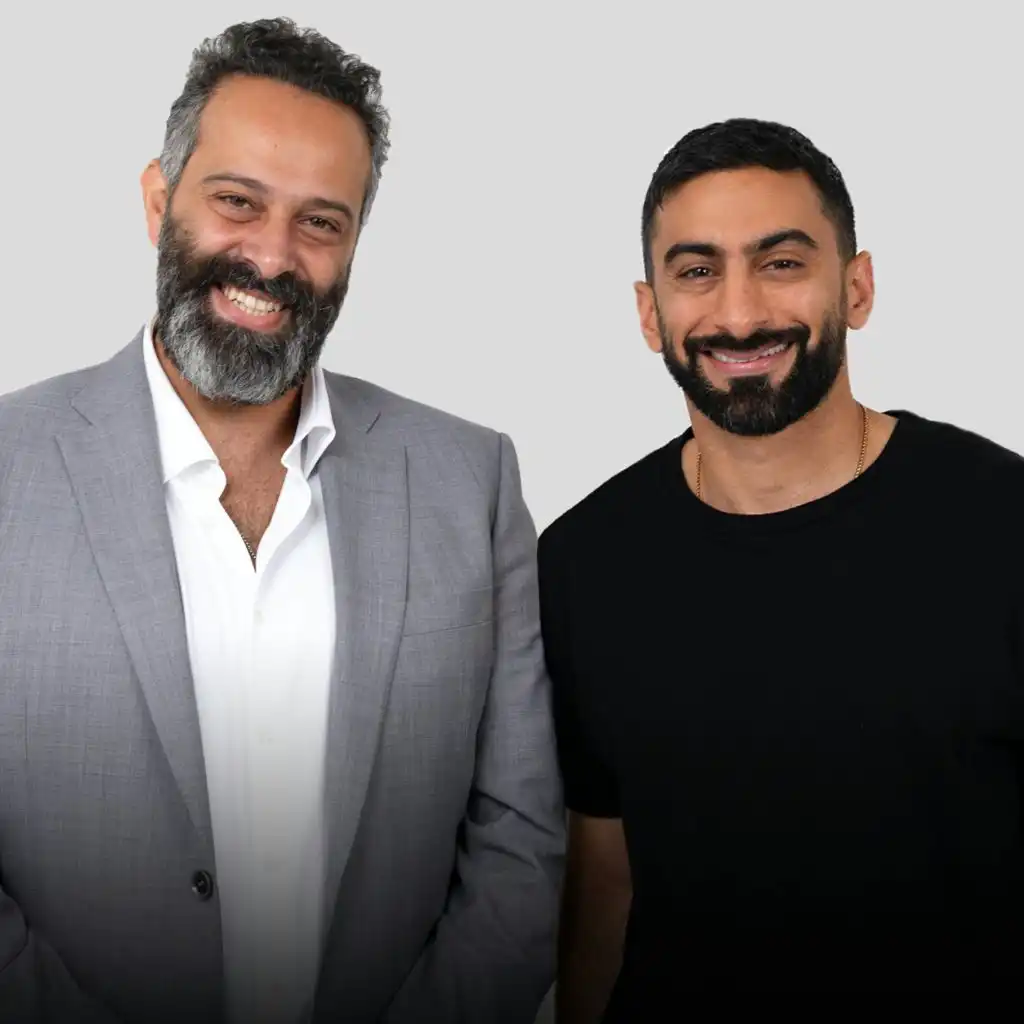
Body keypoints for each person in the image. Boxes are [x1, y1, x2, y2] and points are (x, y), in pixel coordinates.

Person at [0, 18, 563, 1024]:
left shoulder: (470, 480)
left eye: (321, 222)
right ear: (158, 199)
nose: (272, 255)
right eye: (237, 202)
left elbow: (520, 839)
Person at [539, 117, 1024, 1015]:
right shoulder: (580, 563)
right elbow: (605, 880)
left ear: (858, 287)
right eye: (697, 271)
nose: (739, 314)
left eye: (782, 262)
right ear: (649, 313)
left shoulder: (1002, 521)